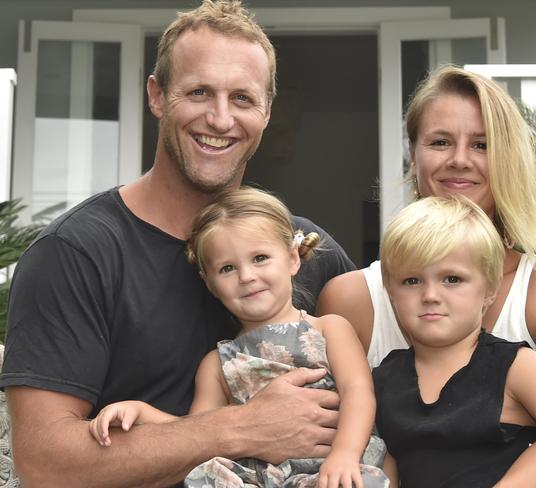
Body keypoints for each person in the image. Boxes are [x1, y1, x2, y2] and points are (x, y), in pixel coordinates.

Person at [0, 2, 355, 486]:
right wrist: (241, 428)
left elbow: (415, 374)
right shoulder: (76, 253)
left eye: (243, 99)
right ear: (157, 95)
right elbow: (45, 465)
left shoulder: (308, 251)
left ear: (267, 112)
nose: (220, 118)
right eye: (200, 92)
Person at [316, 65, 536, 486]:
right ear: (413, 152)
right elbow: (347, 439)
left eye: (482, 144)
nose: (459, 159)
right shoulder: (351, 299)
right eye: (440, 142)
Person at [88, 187, 388, 488]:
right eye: (228, 268)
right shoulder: (217, 364)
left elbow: (358, 392)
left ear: (292, 258)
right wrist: (141, 412)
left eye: (260, 258)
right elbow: (197, 431)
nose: (246, 276)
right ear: (210, 284)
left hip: (331, 467)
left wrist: (345, 454)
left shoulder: (329, 329)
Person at [372, 195, 536, 488]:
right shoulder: (385, 378)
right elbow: (389, 466)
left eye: (452, 279)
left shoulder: (516, 367)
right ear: (390, 291)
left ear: (490, 289)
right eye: (412, 281)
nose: (430, 295)